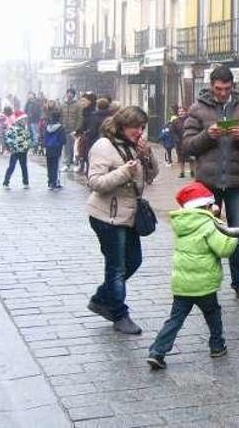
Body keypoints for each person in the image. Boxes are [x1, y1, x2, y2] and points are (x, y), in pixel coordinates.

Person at [182, 66, 239, 301]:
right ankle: (207, 281)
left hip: (237, 181)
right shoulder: (197, 110)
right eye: (218, 89)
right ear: (211, 86)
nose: (223, 94)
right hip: (208, 182)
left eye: (227, 89)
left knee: (238, 233)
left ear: (233, 86)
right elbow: (187, 146)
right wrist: (209, 135)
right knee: (207, 232)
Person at [147, 181, 237, 370]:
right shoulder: (209, 225)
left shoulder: (183, 223)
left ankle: (157, 351)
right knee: (213, 314)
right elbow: (224, 248)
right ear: (206, 206)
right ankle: (217, 346)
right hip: (204, 286)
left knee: (175, 319)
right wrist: (231, 233)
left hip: (182, 285)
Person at [85, 106, 159, 335]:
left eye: (142, 128)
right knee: (116, 267)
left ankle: (101, 298)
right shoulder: (103, 146)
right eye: (136, 127)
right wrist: (123, 173)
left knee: (133, 261)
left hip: (129, 215)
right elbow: (95, 183)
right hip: (106, 216)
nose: (140, 132)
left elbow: (151, 175)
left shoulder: (134, 146)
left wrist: (148, 155)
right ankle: (119, 314)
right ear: (122, 125)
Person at [2, 111, 32, 189]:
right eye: (23, 120)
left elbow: (28, 139)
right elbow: (8, 138)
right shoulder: (12, 128)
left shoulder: (25, 129)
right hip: (15, 151)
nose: (25, 121)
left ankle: (26, 182)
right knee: (11, 167)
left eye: (25, 120)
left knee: (24, 167)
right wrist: (11, 146)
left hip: (23, 151)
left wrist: (28, 146)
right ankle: (5, 183)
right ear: (19, 120)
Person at [44, 109, 66, 190]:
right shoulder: (61, 128)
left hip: (48, 148)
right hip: (57, 148)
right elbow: (63, 140)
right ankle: (55, 182)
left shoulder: (47, 127)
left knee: (49, 165)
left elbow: (44, 138)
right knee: (56, 166)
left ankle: (50, 181)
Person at [60, 89, 80, 171]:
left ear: (73, 95)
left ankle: (74, 164)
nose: (69, 95)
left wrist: (77, 128)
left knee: (74, 148)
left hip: (73, 129)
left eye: (71, 93)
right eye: (68, 93)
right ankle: (67, 164)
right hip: (65, 128)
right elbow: (60, 116)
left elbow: (79, 117)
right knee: (66, 147)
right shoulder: (62, 105)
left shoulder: (77, 105)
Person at [170, 107, 193, 178]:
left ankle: (192, 171)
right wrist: (176, 139)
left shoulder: (190, 120)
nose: (181, 113)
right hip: (180, 142)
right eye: (179, 111)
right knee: (181, 158)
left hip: (189, 141)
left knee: (191, 157)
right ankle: (182, 172)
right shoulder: (175, 121)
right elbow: (172, 131)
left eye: (182, 111)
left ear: (185, 112)